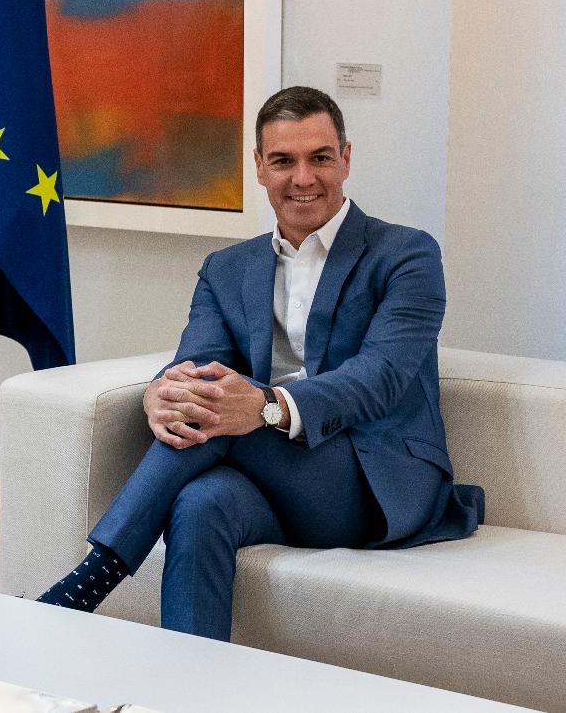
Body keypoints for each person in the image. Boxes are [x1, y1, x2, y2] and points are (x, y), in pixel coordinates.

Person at [37, 87, 483, 641]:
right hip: (272, 483)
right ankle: (190, 693)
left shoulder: (406, 255)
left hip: (369, 480)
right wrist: (160, 394)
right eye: (283, 161)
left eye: (320, 157)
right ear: (258, 167)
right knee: (200, 503)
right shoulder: (226, 268)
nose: (304, 178)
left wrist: (268, 407)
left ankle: (87, 582)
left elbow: (382, 377)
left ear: (346, 158)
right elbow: (194, 365)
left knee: (226, 402)